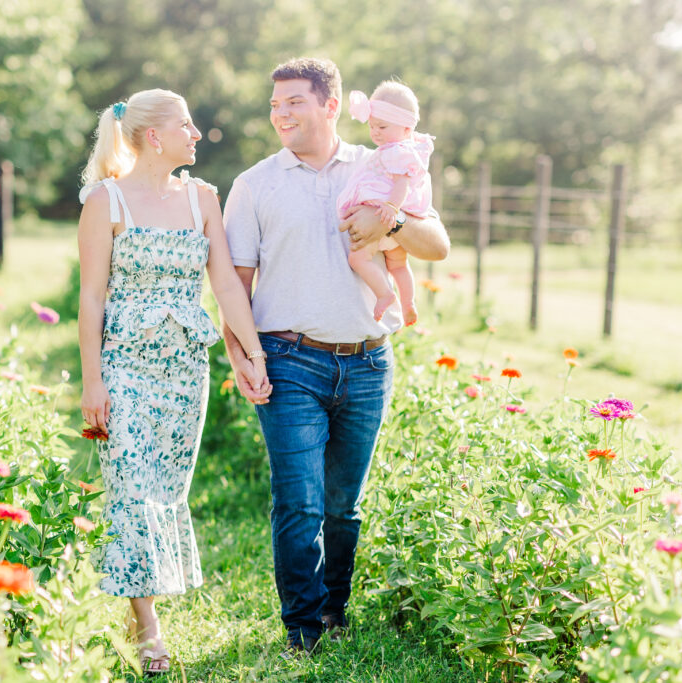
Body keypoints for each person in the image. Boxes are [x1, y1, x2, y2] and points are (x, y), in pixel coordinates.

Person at [222, 58, 449, 656]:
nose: (281, 114)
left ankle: (333, 613)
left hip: (370, 362)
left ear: (331, 105)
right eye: (275, 104)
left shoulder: (384, 164)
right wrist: (241, 354)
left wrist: (394, 220)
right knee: (298, 500)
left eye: (294, 101)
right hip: (289, 356)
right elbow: (233, 284)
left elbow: (439, 245)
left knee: (342, 506)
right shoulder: (254, 185)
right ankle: (302, 631)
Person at [77, 88, 271, 674]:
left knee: (164, 492)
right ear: (155, 136)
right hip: (126, 368)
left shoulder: (203, 198)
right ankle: (150, 630)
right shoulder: (104, 202)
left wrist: (251, 353)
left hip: (186, 370)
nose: (197, 135)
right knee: (132, 490)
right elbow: (90, 297)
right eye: (187, 125)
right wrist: (92, 381)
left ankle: (140, 606)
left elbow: (226, 286)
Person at [336, 81, 434, 325]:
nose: (375, 132)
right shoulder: (406, 149)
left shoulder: (397, 151)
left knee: (357, 259)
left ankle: (384, 293)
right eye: (372, 126)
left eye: (382, 126)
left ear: (406, 128)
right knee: (399, 265)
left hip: (382, 216)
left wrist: (391, 208)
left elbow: (402, 184)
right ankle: (409, 302)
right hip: (392, 219)